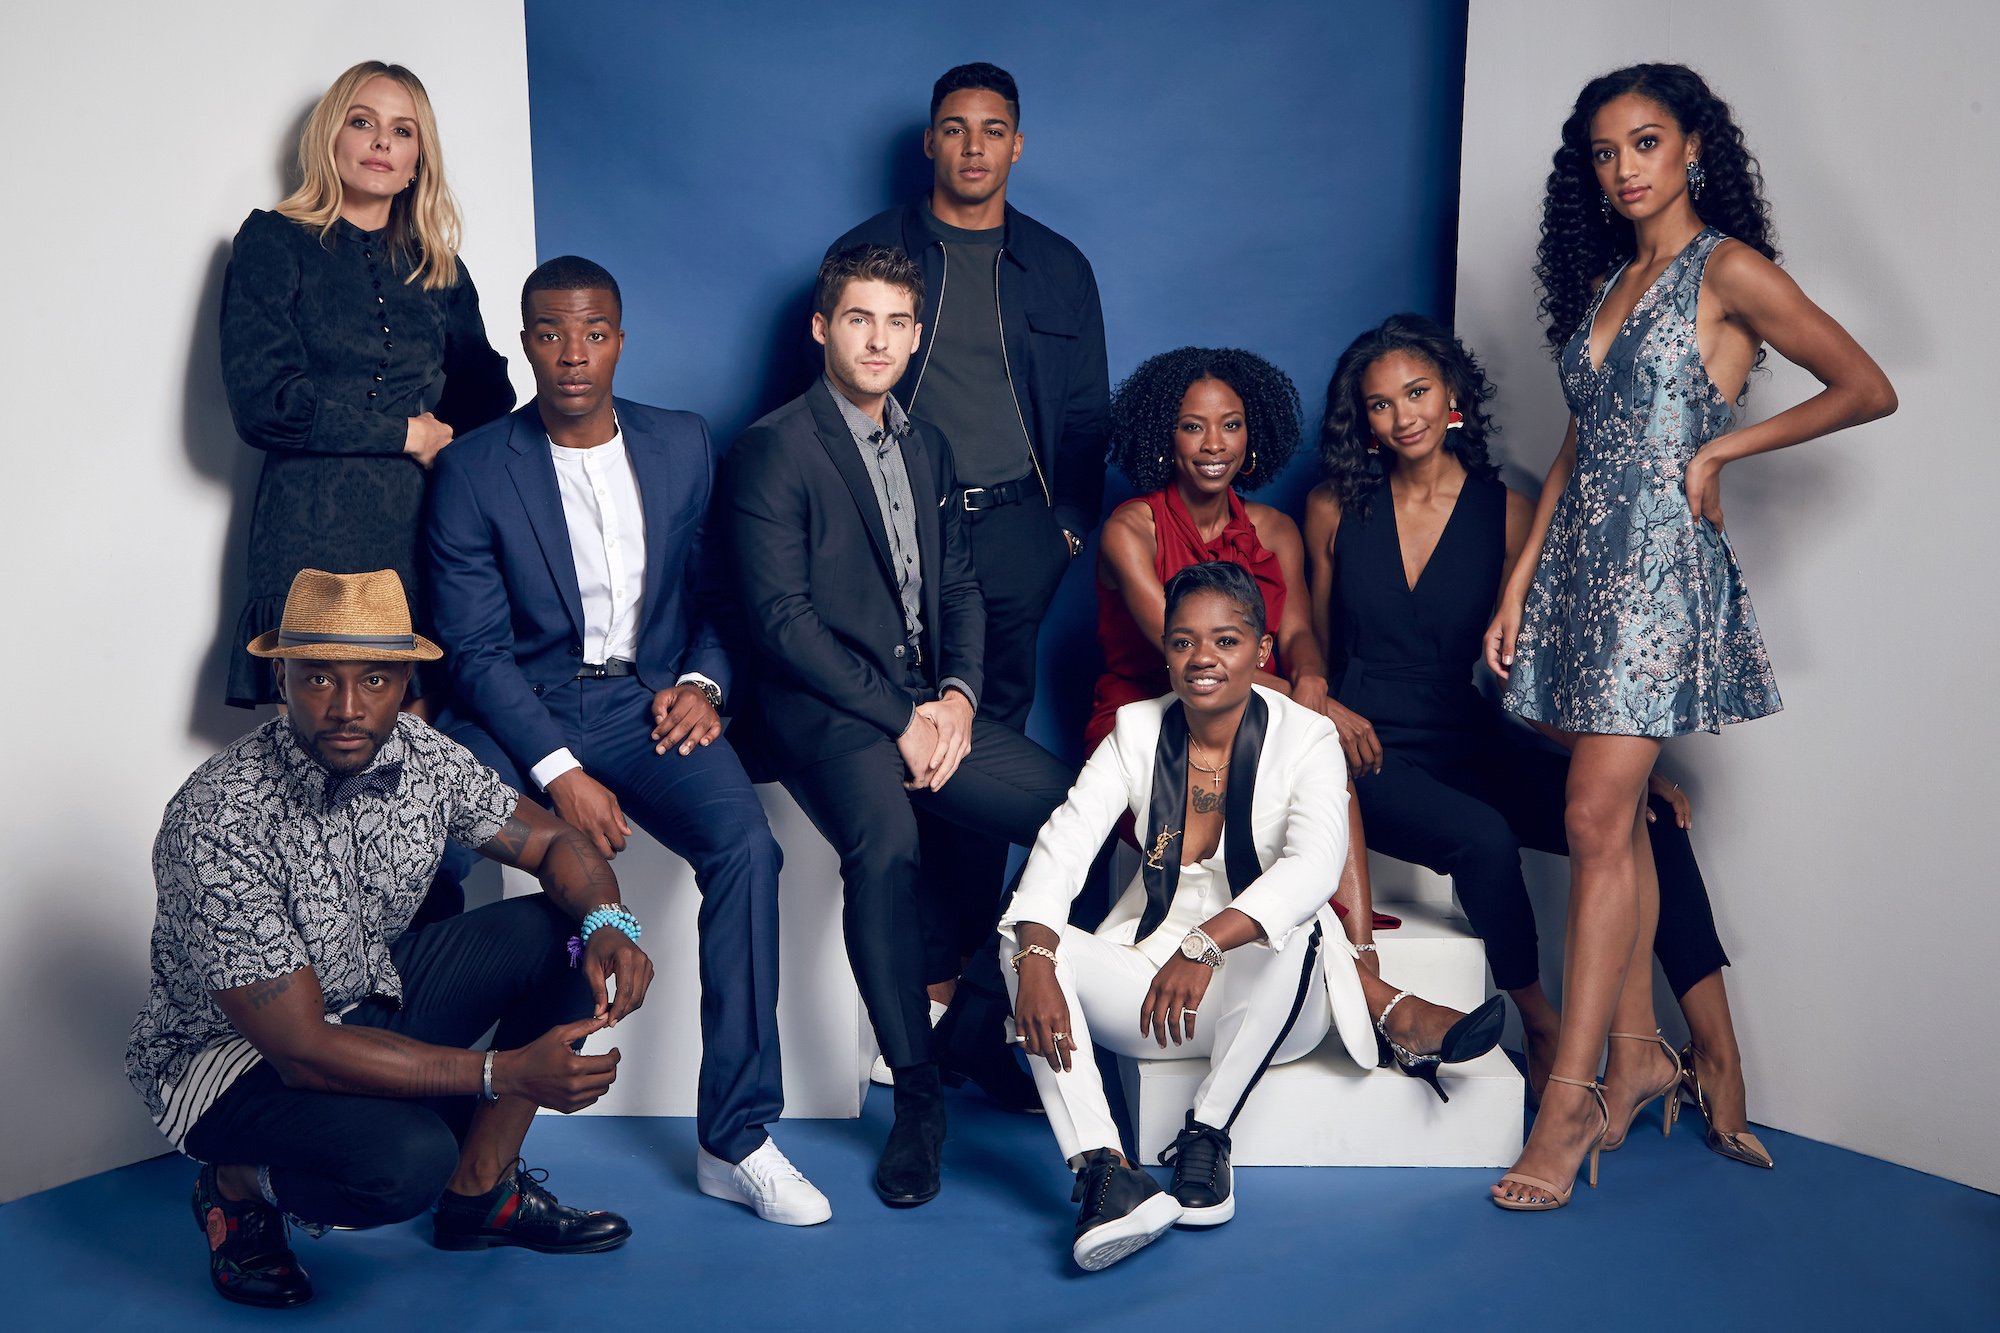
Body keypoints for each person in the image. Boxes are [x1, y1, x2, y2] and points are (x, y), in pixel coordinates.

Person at [1483, 63, 1896, 1210]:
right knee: (1610, 821)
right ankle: (1638, 1055)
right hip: (1581, 572)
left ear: (1693, 147)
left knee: (1588, 816)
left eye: (1645, 142)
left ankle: (1568, 1102)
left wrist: (1719, 448)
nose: (1623, 169)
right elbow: (1578, 445)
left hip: (1659, 578)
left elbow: (1864, 386)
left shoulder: (1728, 271)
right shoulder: (1611, 279)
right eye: (1604, 152)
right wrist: (1518, 580)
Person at [424, 256, 827, 1226]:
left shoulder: (681, 443)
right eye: (552, 334)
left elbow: (719, 598)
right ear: (526, 343)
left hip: (645, 704)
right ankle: (419, 1105)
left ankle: (735, 1137)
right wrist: (559, 773)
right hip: (519, 706)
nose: (573, 354)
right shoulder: (475, 467)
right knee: (433, 843)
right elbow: (475, 652)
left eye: (594, 333)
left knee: (748, 848)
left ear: (619, 338)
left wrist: (702, 685)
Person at [125, 569, 652, 1309]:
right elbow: (302, 1049)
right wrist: (503, 1071)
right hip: (230, 1062)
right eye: (319, 678)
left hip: (358, 1002)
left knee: (566, 926)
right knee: (408, 1159)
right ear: (281, 678)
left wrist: (609, 922)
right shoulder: (219, 818)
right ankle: (236, 1185)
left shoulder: (422, 755)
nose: (347, 707)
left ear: (405, 681)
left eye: (373, 679)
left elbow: (554, 842)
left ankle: (483, 1192)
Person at [1308, 313, 1765, 1164]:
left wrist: (1614, 766)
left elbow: (1523, 671)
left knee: (1647, 821)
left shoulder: (1512, 512)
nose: (1403, 416)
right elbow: (1315, 649)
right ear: (1361, 419)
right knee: (1481, 835)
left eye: (1417, 392)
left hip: (1468, 733)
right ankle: (1542, 1024)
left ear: (1452, 393)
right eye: (1380, 404)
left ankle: (1714, 1055)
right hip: (1367, 750)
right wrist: (1325, 712)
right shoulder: (1334, 507)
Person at [1002, 562, 1501, 1272]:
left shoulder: (1308, 737)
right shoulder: (1135, 731)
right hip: (1150, 993)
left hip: (1267, 1003)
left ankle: (1206, 1136)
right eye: (1183, 642)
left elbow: (1315, 865)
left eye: (1226, 640)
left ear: (1262, 650)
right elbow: (1064, 843)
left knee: (1303, 920)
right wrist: (1037, 960)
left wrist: (1205, 944)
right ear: (1165, 651)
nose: (1202, 658)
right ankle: (1108, 1174)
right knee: (1023, 942)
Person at [720, 245, 1076, 1207]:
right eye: (858, 319)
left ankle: (974, 1023)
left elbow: (959, 587)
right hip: (822, 710)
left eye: (895, 323)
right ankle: (919, 1099)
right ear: (821, 328)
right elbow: (781, 624)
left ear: (916, 336)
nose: (877, 340)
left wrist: (956, 696)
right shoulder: (773, 447)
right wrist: (898, 718)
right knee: (886, 847)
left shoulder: (927, 446)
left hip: (924, 699)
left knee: (1078, 814)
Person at [1095, 348, 1489, 1082]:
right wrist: (1318, 706)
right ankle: (1382, 1005)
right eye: (1192, 426)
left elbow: (1301, 630)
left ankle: (1365, 965)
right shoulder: (1132, 527)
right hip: (1157, 724)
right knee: (1299, 765)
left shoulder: (1274, 529)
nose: (1214, 444)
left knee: (1314, 758)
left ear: (1254, 435)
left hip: (1257, 709)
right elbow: (1193, 661)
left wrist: (1310, 681)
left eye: (1231, 425)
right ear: (1165, 438)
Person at [823, 63, 1110, 1037]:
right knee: (911, 739)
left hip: (1021, 533)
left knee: (990, 751)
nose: (974, 146)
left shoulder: (1060, 267)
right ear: (930, 142)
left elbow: (1086, 413)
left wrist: (1065, 525)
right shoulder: (872, 252)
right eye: (955, 128)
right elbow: (824, 396)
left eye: (992, 129)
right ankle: (932, 974)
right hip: (905, 527)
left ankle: (973, 987)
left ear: (1016, 144)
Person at [221, 61, 514, 713]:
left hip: (414, 530)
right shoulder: (273, 241)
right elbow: (266, 405)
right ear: (331, 137)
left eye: (402, 130)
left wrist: (444, 440)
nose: (382, 141)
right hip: (309, 526)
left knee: (412, 744)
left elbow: (490, 393)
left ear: (417, 160)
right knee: (322, 741)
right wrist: (407, 433)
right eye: (363, 122)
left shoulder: (437, 266)